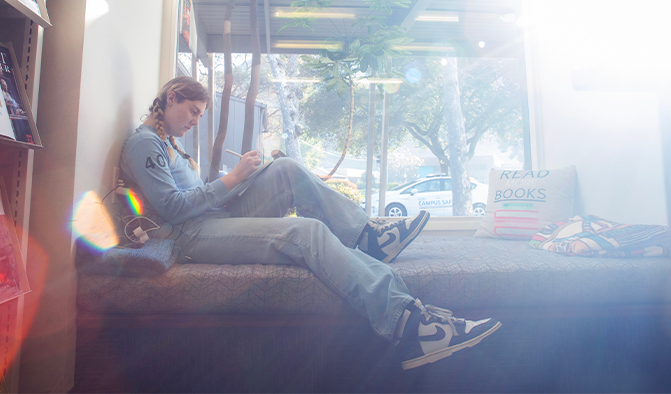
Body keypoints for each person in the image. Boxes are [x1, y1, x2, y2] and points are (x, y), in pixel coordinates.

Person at [118, 76, 501, 370]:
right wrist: (232, 179)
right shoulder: (144, 144)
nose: (195, 120)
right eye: (193, 112)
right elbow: (173, 208)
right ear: (171, 98)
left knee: (284, 168)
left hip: (212, 217)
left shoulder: (169, 144)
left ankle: (368, 237)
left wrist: (244, 178)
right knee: (306, 232)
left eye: (200, 114)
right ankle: (409, 324)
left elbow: (195, 194)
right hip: (189, 235)